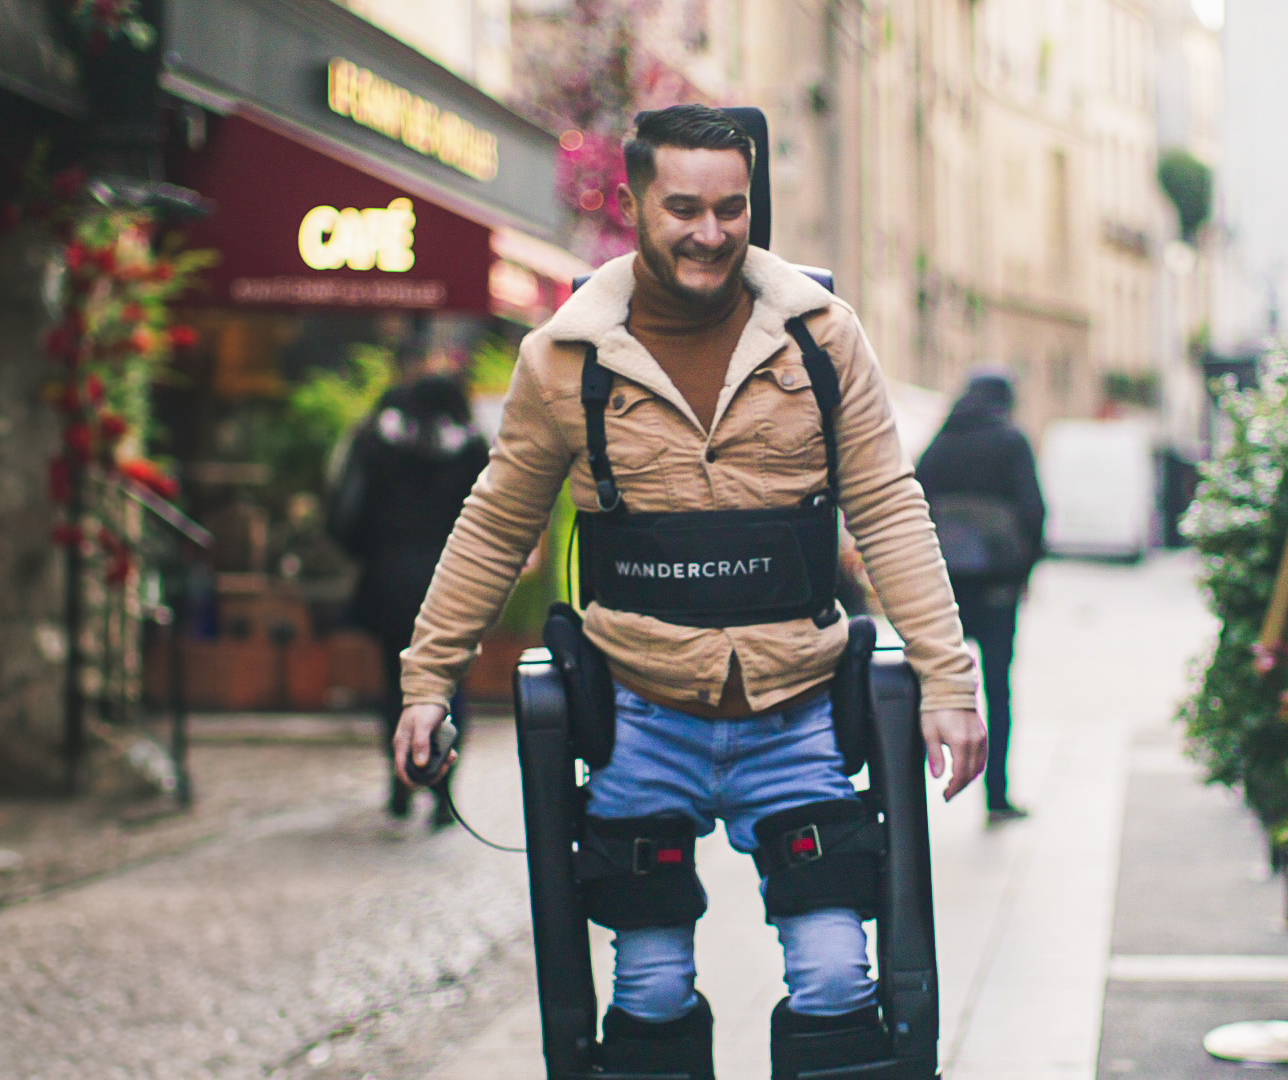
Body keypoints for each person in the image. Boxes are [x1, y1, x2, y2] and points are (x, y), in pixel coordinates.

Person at [392, 105, 984, 1077]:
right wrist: (429, 682)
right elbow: (496, 523)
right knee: (650, 989)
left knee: (839, 978)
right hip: (639, 715)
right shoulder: (563, 357)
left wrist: (949, 685)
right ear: (633, 204)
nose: (710, 232)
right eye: (684, 209)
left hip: (794, 712)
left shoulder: (824, 341)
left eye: (730, 208)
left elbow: (887, 506)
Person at [330, 362, 488, 828]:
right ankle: (443, 790)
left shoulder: (375, 445)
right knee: (451, 681)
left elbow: (344, 518)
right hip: (456, 584)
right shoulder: (472, 448)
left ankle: (400, 780)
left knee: (395, 685)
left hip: (390, 582)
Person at [916, 372, 1045, 823]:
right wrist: (1025, 571)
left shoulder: (939, 444)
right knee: (998, 690)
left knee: (926, 688)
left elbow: (911, 507)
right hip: (997, 587)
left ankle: (912, 792)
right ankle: (996, 795)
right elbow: (1034, 511)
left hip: (942, 591)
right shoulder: (1011, 442)